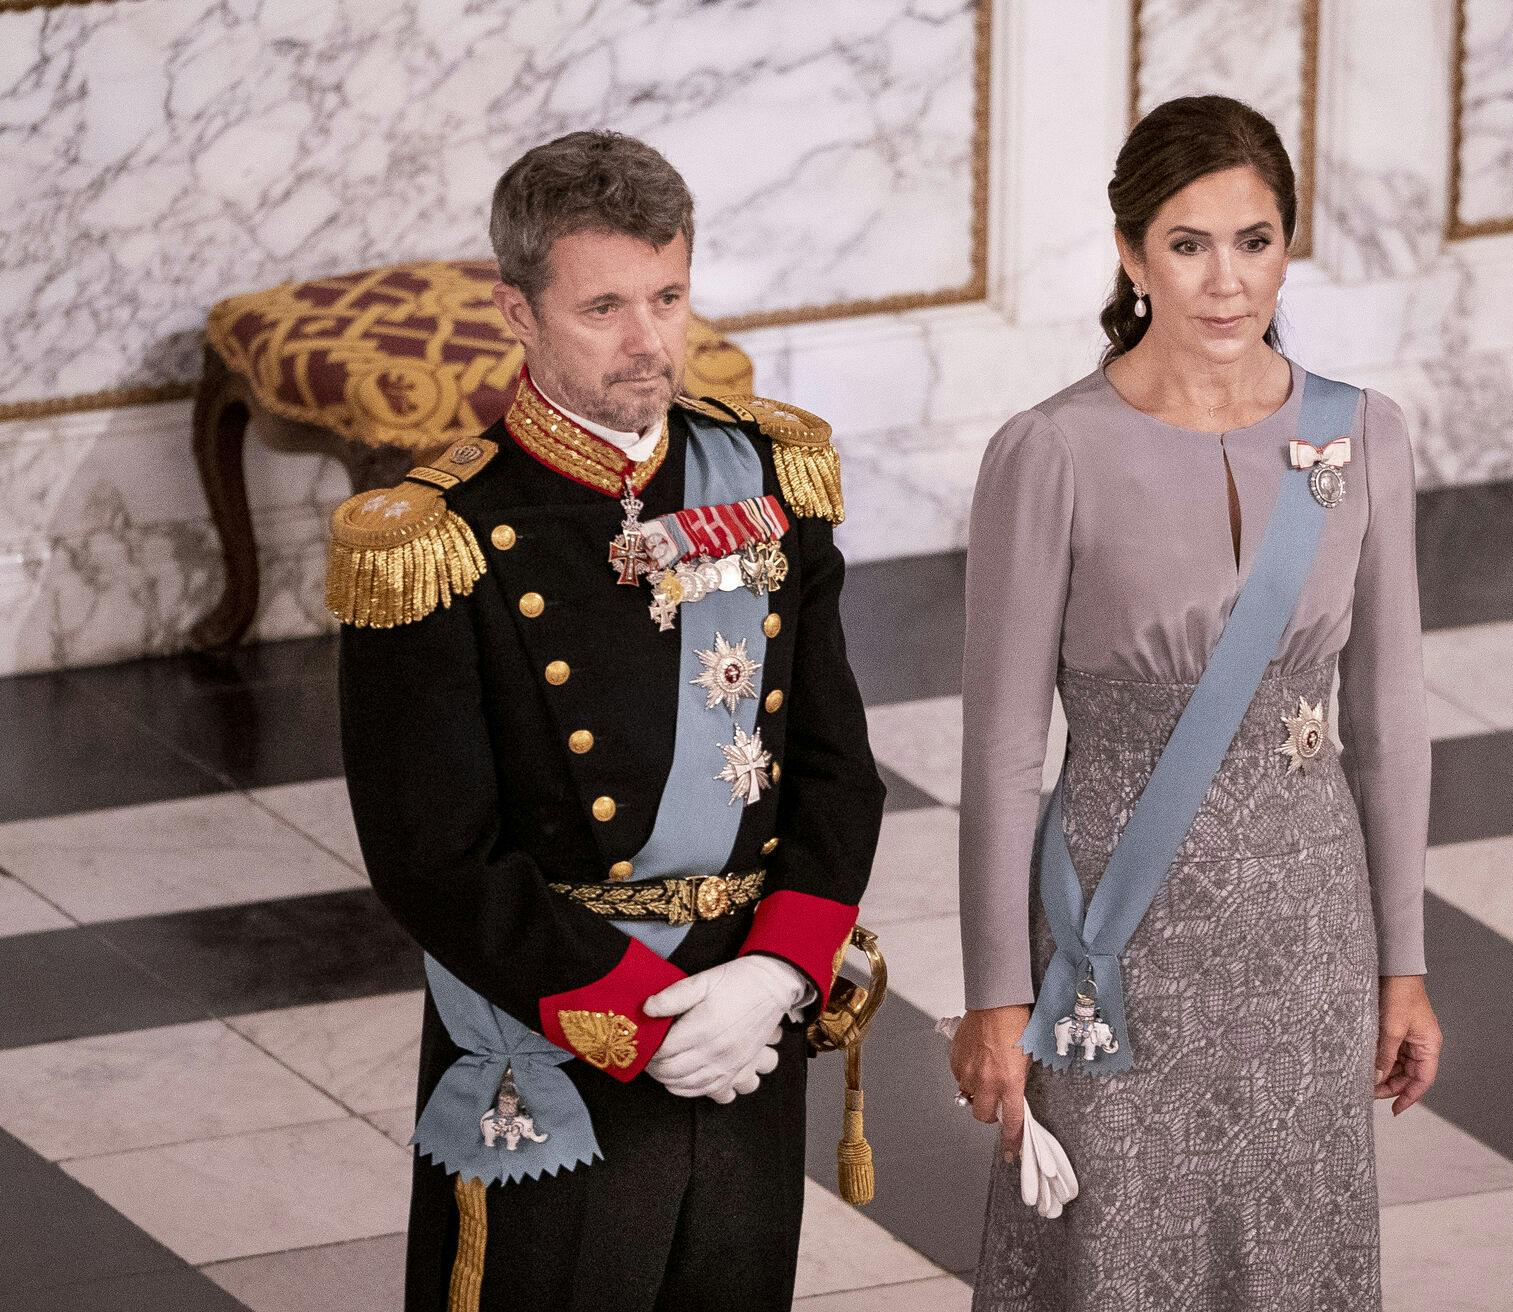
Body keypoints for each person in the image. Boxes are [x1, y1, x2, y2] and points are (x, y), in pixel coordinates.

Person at [330, 130, 885, 1312]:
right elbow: (431, 856)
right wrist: (642, 1018)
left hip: (744, 1026)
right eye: (605, 308)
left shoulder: (771, 479)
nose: (650, 342)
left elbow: (838, 771)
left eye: (670, 296)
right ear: (519, 312)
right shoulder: (439, 538)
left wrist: (776, 974)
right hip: (565, 1030)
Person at [949, 95, 1443, 1309]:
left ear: (1288, 247)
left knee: (1293, 1242)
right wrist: (994, 993)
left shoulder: (1364, 435)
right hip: (1120, 934)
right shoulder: (1049, 452)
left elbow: (1388, 717)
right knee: (1124, 1251)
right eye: (1188, 243)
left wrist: (1405, 963)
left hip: (1306, 934)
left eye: (1255, 241)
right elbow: (1005, 751)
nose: (1227, 282)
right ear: (1131, 253)